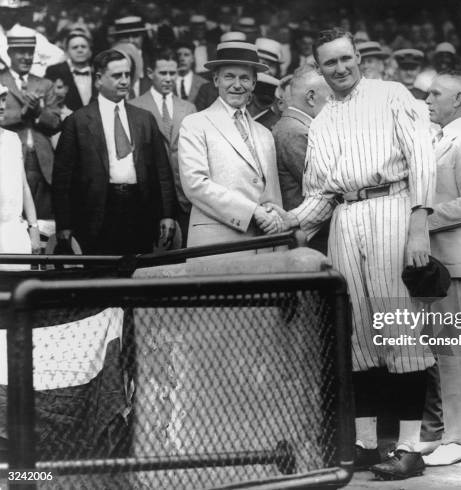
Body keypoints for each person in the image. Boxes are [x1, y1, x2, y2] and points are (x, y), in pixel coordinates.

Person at [273, 28, 436, 479]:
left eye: (346, 59)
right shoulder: (323, 119)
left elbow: (423, 156)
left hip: (392, 207)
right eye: (330, 63)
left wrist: (419, 222)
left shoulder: (391, 94)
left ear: (358, 57)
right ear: (319, 68)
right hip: (346, 217)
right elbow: (320, 195)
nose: (340, 68)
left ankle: (409, 448)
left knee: (399, 329)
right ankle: (365, 444)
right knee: (359, 335)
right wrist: (291, 220)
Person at [417, 71, 461, 466]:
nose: (427, 99)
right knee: (440, 350)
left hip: (456, 263)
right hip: (436, 262)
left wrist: (421, 220)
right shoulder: (440, 136)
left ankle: (458, 439)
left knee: (454, 351)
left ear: (459, 99)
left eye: (436, 94)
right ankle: (448, 435)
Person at [52, 49, 176, 255]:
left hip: (140, 210)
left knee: (138, 275)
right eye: (117, 76)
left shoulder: (144, 119)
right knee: (100, 277)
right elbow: (62, 178)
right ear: (99, 79)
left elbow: (162, 171)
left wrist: (167, 214)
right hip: (97, 211)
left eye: (127, 75)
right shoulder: (78, 121)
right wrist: (64, 225)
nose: (124, 81)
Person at [178, 41, 283, 248]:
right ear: (216, 80)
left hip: (264, 245)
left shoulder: (264, 134)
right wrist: (253, 212)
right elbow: (195, 185)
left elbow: (273, 195)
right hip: (217, 245)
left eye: (244, 78)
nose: (237, 85)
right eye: (229, 77)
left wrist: (275, 226)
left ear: (254, 84)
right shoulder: (195, 124)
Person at [130, 48, 196, 247]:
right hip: (151, 195)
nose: (168, 79)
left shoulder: (188, 108)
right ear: (150, 73)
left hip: (184, 195)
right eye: (163, 73)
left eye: (172, 73)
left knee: (186, 250)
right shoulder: (135, 106)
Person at [0, 25, 61, 221]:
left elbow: (55, 123)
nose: (27, 57)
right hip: (8, 156)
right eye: (21, 52)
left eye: (30, 52)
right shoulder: (0, 80)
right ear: (9, 53)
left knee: (43, 219)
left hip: (42, 163)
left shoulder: (45, 84)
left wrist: (38, 113)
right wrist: (23, 113)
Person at [272, 65, 331, 253]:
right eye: (330, 97)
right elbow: (326, 188)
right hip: (309, 238)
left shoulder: (295, 128)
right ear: (311, 97)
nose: (334, 103)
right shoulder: (296, 133)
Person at [0, 81, 40, 270]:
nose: (1, 106)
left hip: (14, 233)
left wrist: (33, 229)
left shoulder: (12, 139)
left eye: (2, 100)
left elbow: (23, 187)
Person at [45, 30, 95, 112]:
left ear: (90, 51)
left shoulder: (99, 72)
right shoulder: (55, 72)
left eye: (83, 47)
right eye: (75, 47)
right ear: (67, 52)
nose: (80, 50)